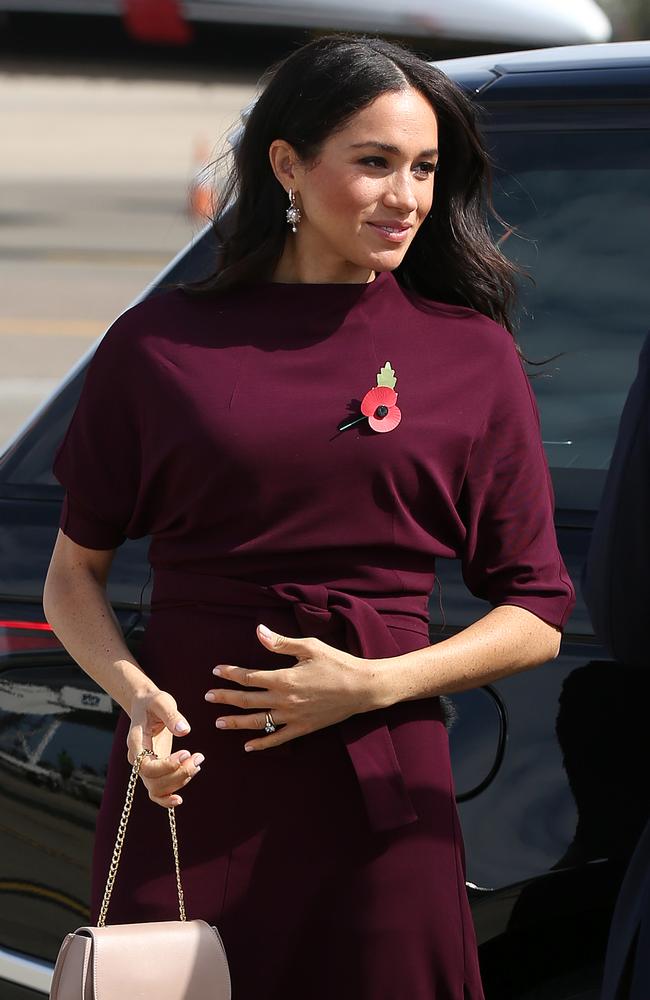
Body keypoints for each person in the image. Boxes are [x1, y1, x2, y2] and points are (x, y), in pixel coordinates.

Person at [43, 33, 576, 1000]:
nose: (407, 196)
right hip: (197, 774)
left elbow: (536, 610)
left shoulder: (471, 356)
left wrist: (374, 684)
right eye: (374, 163)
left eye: (423, 168)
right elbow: (73, 575)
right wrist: (139, 703)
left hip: (383, 784)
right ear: (289, 164)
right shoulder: (161, 345)